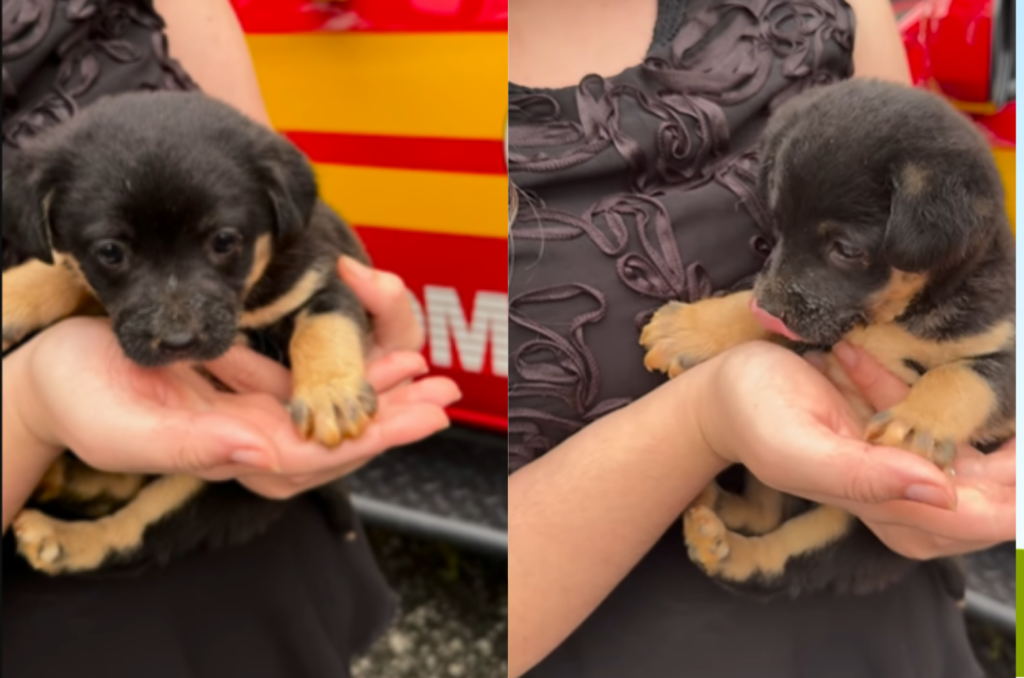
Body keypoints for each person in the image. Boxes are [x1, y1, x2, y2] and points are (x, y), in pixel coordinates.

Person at [507, 0, 1015, 676]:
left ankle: (763, 545)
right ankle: (756, 531)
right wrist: (706, 414)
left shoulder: (839, 20)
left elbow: (994, 373)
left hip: (882, 626)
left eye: (841, 248)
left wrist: (942, 424)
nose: (770, 294)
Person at [2, 1, 460, 676]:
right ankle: (101, 525)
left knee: (215, 499)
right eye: (114, 255)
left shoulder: (280, 231)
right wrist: (27, 404)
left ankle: (108, 532)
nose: (179, 322)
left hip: (242, 515)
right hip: (56, 625)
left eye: (222, 245)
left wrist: (330, 374)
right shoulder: (53, 203)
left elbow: (326, 300)